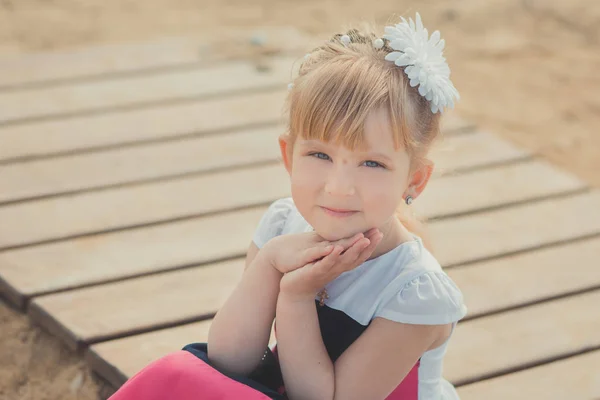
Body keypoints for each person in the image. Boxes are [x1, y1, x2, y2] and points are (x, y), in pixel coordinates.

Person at [109, 12, 467, 400]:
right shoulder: (283, 226)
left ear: (414, 180)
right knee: (178, 373)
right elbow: (230, 360)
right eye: (319, 155)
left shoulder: (413, 292)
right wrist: (268, 264)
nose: (339, 187)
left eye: (372, 163)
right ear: (288, 155)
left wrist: (296, 297)